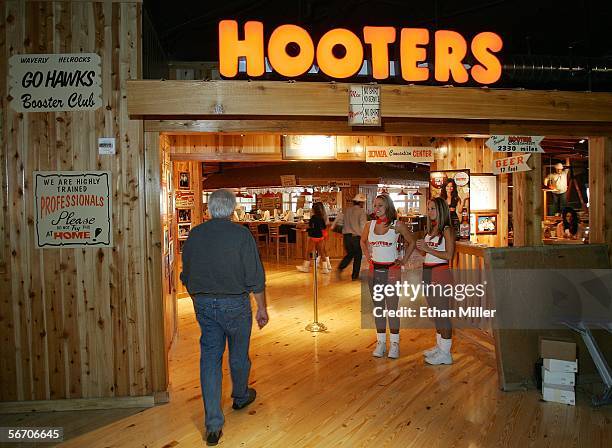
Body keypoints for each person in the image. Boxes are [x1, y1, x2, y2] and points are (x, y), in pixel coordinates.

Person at [180, 189, 269, 446]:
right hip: (236, 304)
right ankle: (240, 396)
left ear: (209, 209)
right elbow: (255, 275)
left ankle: (213, 425)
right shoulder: (241, 235)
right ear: (232, 209)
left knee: (209, 358)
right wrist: (262, 308)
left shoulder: (195, 234)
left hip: (204, 304)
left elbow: (187, 273)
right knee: (238, 354)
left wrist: (197, 295)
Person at [361, 194, 415, 359]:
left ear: (388, 207)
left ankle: (395, 344)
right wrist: (368, 256)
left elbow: (411, 241)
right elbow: (362, 241)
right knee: (378, 309)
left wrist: (404, 260)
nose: (376, 209)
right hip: (374, 271)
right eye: (375, 205)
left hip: (392, 270)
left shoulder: (396, 225)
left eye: (380, 206)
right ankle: (381, 342)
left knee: (392, 309)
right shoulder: (369, 225)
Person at [416, 197, 456, 365]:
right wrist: (422, 250)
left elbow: (449, 255)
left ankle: (446, 353)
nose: (429, 211)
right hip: (428, 272)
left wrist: (426, 248)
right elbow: (428, 254)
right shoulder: (431, 229)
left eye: (432, 208)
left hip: (440, 272)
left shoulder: (447, 230)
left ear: (440, 210)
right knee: (435, 313)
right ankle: (440, 347)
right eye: (429, 208)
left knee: (442, 313)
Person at [335, 193, 368, 280]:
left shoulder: (347, 210)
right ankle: (354, 276)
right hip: (356, 238)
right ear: (361, 203)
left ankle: (340, 268)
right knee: (358, 256)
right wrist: (365, 238)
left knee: (349, 255)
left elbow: (341, 222)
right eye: (363, 203)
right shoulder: (361, 212)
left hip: (346, 237)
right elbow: (363, 226)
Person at [297, 201, 331, 273]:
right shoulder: (321, 218)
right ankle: (325, 268)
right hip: (320, 237)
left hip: (313, 237)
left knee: (308, 252)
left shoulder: (313, 218)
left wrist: (303, 228)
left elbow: (310, 227)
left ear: (314, 210)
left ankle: (305, 267)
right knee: (321, 252)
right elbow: (323, 227)